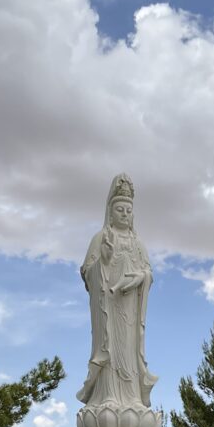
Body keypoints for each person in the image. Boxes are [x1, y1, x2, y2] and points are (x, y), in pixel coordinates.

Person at [77, 174, 158, 409]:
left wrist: (139, 278)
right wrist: (104, 259)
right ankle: (107, 395)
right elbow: (87, 273)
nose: (124, 213)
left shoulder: (138, 243)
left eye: (128, 210)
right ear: (110, 212)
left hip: (130, 310)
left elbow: (148, 273)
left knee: (129, 352)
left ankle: (132, 397)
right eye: (120, 209)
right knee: (110, 349)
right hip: (108, 310)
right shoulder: (101, 238)